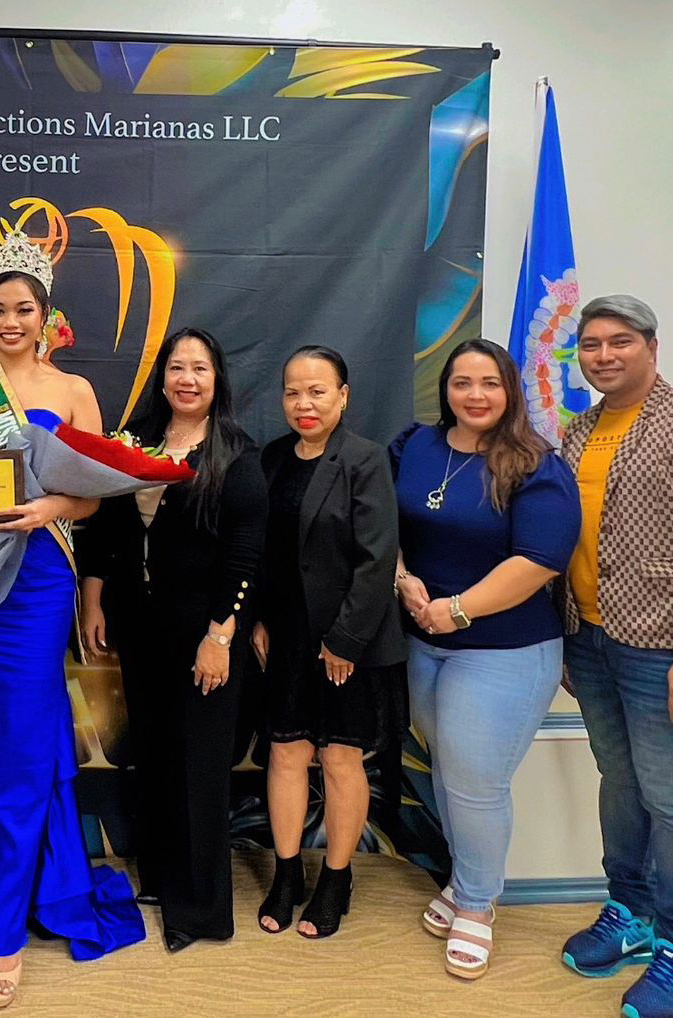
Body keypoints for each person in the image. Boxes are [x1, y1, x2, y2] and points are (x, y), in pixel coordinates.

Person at [0, 230, 145, 1008]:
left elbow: (95, 497)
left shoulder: (74, 392)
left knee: (19, 742)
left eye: (24, 309)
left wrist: (49, 505)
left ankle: (3, 927)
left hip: (40, 582)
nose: (11, 321)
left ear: (46, 316)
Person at [556, 296, 673, 1018]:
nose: (604, 355)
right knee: (620, 782)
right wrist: (570, 633)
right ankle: (631, 914)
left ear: (652, 347)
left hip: (666, 645)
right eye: (592, 344)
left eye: (621, 342)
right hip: (593, 637)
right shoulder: (578, 432)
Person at [391, 338, 580, 981]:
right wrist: (401, 578)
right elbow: (378, 522)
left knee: (475, 781)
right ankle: (466, 880)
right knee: (450, 768)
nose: (475, 395)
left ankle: (477, 904)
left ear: (510, 392)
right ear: (445, 388)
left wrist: (458, 610)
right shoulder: (414, 447)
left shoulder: (535, 465)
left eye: (489, 383)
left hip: (505, 650)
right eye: (462, 382)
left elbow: (538, 561)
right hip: (426, 643)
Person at [78, 327, 266, 952]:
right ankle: (161, 879)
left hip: (206, 633)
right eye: (178, 367)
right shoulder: (135, 441)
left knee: (201, 766)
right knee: (155, 754)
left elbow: (246, 555)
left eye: (201, 369)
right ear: (162, 377)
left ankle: (203, 910)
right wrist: (97, 596)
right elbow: (105, 526)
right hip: (141, 624)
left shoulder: (236, 454)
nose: (188, 379)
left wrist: (221, 633)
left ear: (218, 381)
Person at [249, 345, 406, 941]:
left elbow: (376, 559)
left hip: (348, 640)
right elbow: (259, 551)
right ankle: (286, 874)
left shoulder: (364, 459)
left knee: (340, 757)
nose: (304, 403)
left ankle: (335, 878)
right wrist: (260, 616)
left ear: (343, 395)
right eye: (293, 392)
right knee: (287, 753)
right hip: (286, 635)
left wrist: (344, 639)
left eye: (318, 391)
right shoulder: (270, 460)